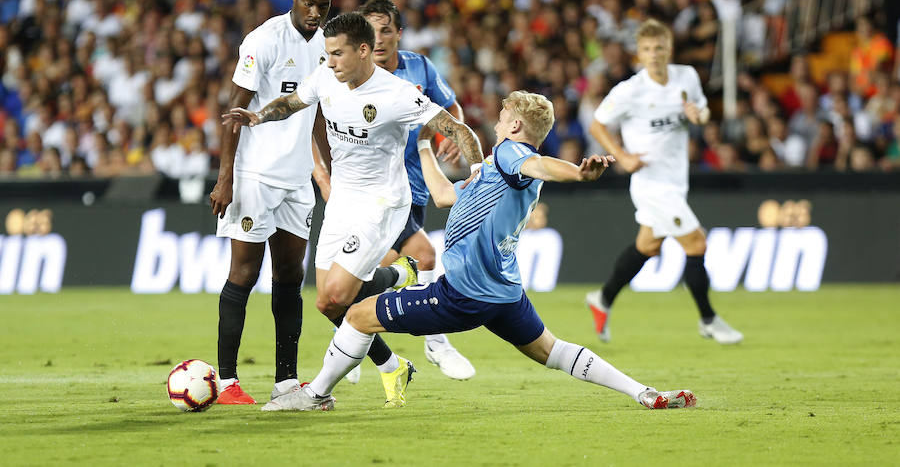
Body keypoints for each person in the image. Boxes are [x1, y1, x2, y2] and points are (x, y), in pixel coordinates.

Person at [257, 90, 697, 412]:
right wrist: (425, 146)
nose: (497, 118)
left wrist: (579, 176)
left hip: (463, 294)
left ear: (516, 127)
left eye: (503, 115)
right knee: (552, 350)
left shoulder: (512, 155)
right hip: (504, 294)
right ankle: (644, 393)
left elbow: (539, 165)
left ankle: (314, 395)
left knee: (356, 315)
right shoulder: (492, 168)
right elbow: (447, 197)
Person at [223, 12, 484, 408]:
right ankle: (396, 337)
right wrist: (258, 116)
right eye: (327, 54)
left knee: (340, 291)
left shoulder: (397, 94)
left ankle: (318, 394)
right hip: (343, 199)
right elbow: (291, 103)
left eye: (338, 54)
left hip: (381, 203)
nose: (330, 62)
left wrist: (480, 170)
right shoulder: (327, 76)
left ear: (363, 51)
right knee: (328, 304)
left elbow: (458, 129)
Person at [208, 0, 335, 405]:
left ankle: (286, 381)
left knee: (290, 276)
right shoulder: (264, 40)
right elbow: (234, 112)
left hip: (297, 179)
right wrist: (226, 178)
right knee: (243, 273)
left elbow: (318, 114)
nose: (316, 12)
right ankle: (226, 383)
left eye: (325, 4)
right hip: (255, 177)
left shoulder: (326, 46)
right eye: (310, 2)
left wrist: (329, 171)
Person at [586, 19, 743, 344]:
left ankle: (602, 299)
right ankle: (708, 320)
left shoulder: (686, 76)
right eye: (646, 49)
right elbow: (597, 125)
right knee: (696, 243)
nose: (653, 54)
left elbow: (701, 112)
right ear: (638, 55)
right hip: (650, 184)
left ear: (669, 49)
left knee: (647, 246)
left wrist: (698, 116)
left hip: (676, 179)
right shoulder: (630, 91)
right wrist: (623, 155)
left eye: (659, 47)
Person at [359, 0, 475, 381]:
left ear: (398, 34)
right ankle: (436, 343)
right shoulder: (351, 75)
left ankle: (350, 351)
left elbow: (451, 108)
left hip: (414, 187)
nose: (378, 39)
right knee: (423, 258)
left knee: (370, 275)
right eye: (371, 31)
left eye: (386, 30)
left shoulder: (419, 67)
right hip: (375, 189)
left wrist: (452, 135)